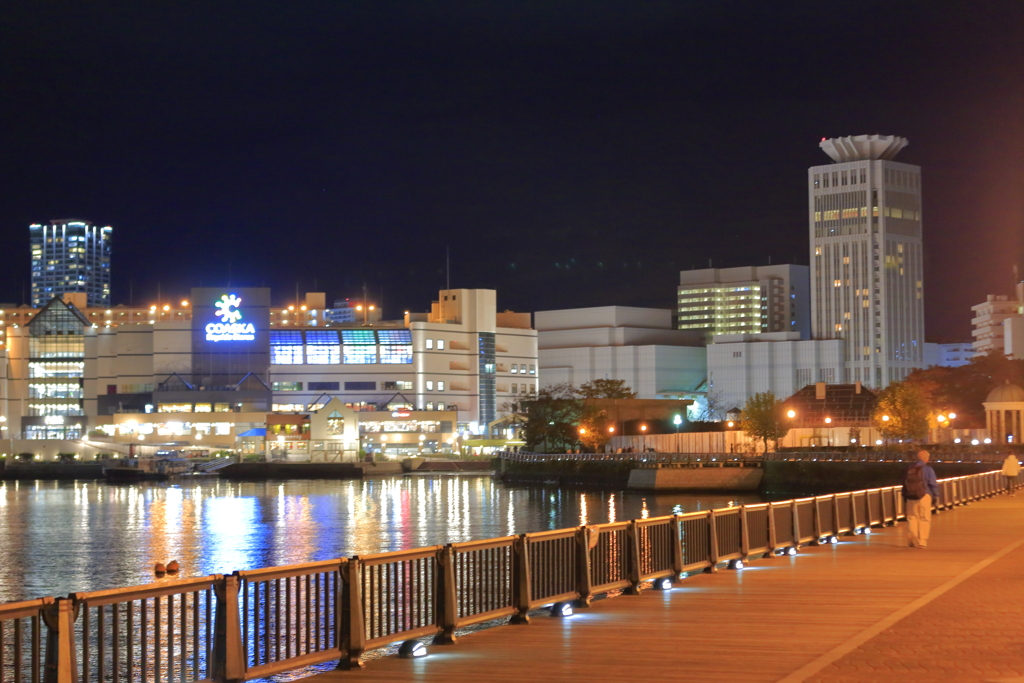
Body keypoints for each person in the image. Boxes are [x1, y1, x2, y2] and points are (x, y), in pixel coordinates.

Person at [902, 450, 939, 548]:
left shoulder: (909, 469)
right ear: (927, 459)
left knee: (912, 517)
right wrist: (935, 496)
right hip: (924, 495)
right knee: (924, 518)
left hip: (911, 496)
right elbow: (932, 484)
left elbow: (904, 483)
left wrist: (905, 496)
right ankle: (922, 541)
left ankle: (912, 538)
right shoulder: (928, 469)